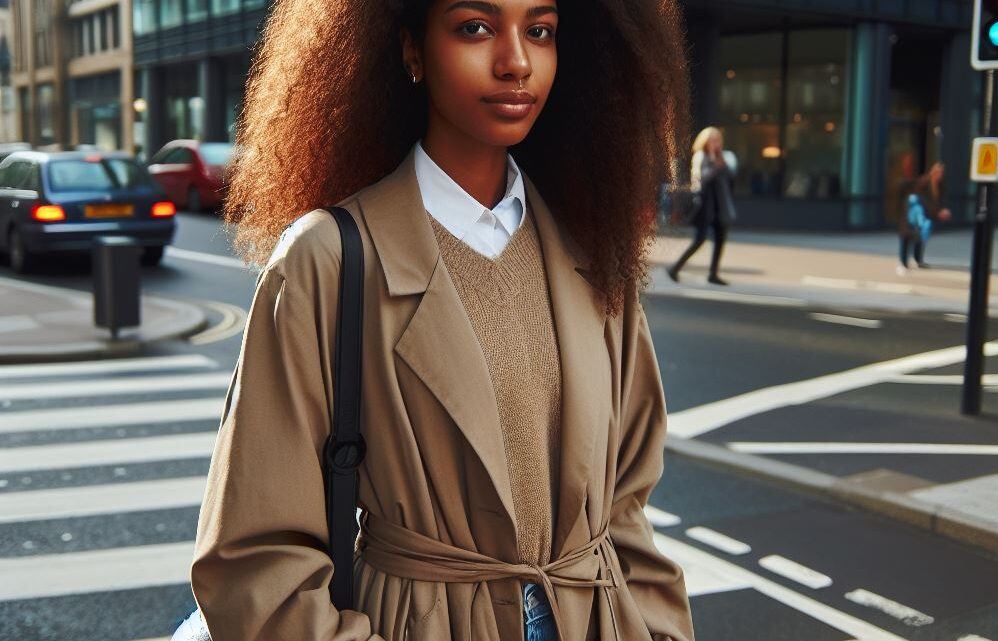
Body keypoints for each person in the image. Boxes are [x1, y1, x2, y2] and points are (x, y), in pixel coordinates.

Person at [186, 1, 696, 640]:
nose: (516, 62)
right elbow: (254, 556)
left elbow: (626, 506)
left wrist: (660, 630)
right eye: (475, 28)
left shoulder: (594, 255)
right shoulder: (330, 258)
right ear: (411, 51)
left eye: (540, 31)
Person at [666, 126, 737, 286]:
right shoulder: (701, 156)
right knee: (699, 239)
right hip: (705, 205)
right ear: (705, 141)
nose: (716, 143)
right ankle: (675, 268)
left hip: (720, 205)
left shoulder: (722, 158)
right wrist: (713, 161)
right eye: (712, 140)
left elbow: (730, 177)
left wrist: (720, 163)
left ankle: (713, 274)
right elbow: (702, 179)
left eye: (718, 140)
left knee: (720, 238)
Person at [898, 161, 951, 273]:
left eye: (942, 172)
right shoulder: (924, 182)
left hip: (924, 217)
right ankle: (903, 263)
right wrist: (937, 212)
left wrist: (942, 210)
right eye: (938, 172)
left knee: (920, 238)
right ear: (933, 172)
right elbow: (923, 201)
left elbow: (940, 201)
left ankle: (918, 260)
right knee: (906, 239)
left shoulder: (940, 185)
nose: (940, 175)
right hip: (912, 215)